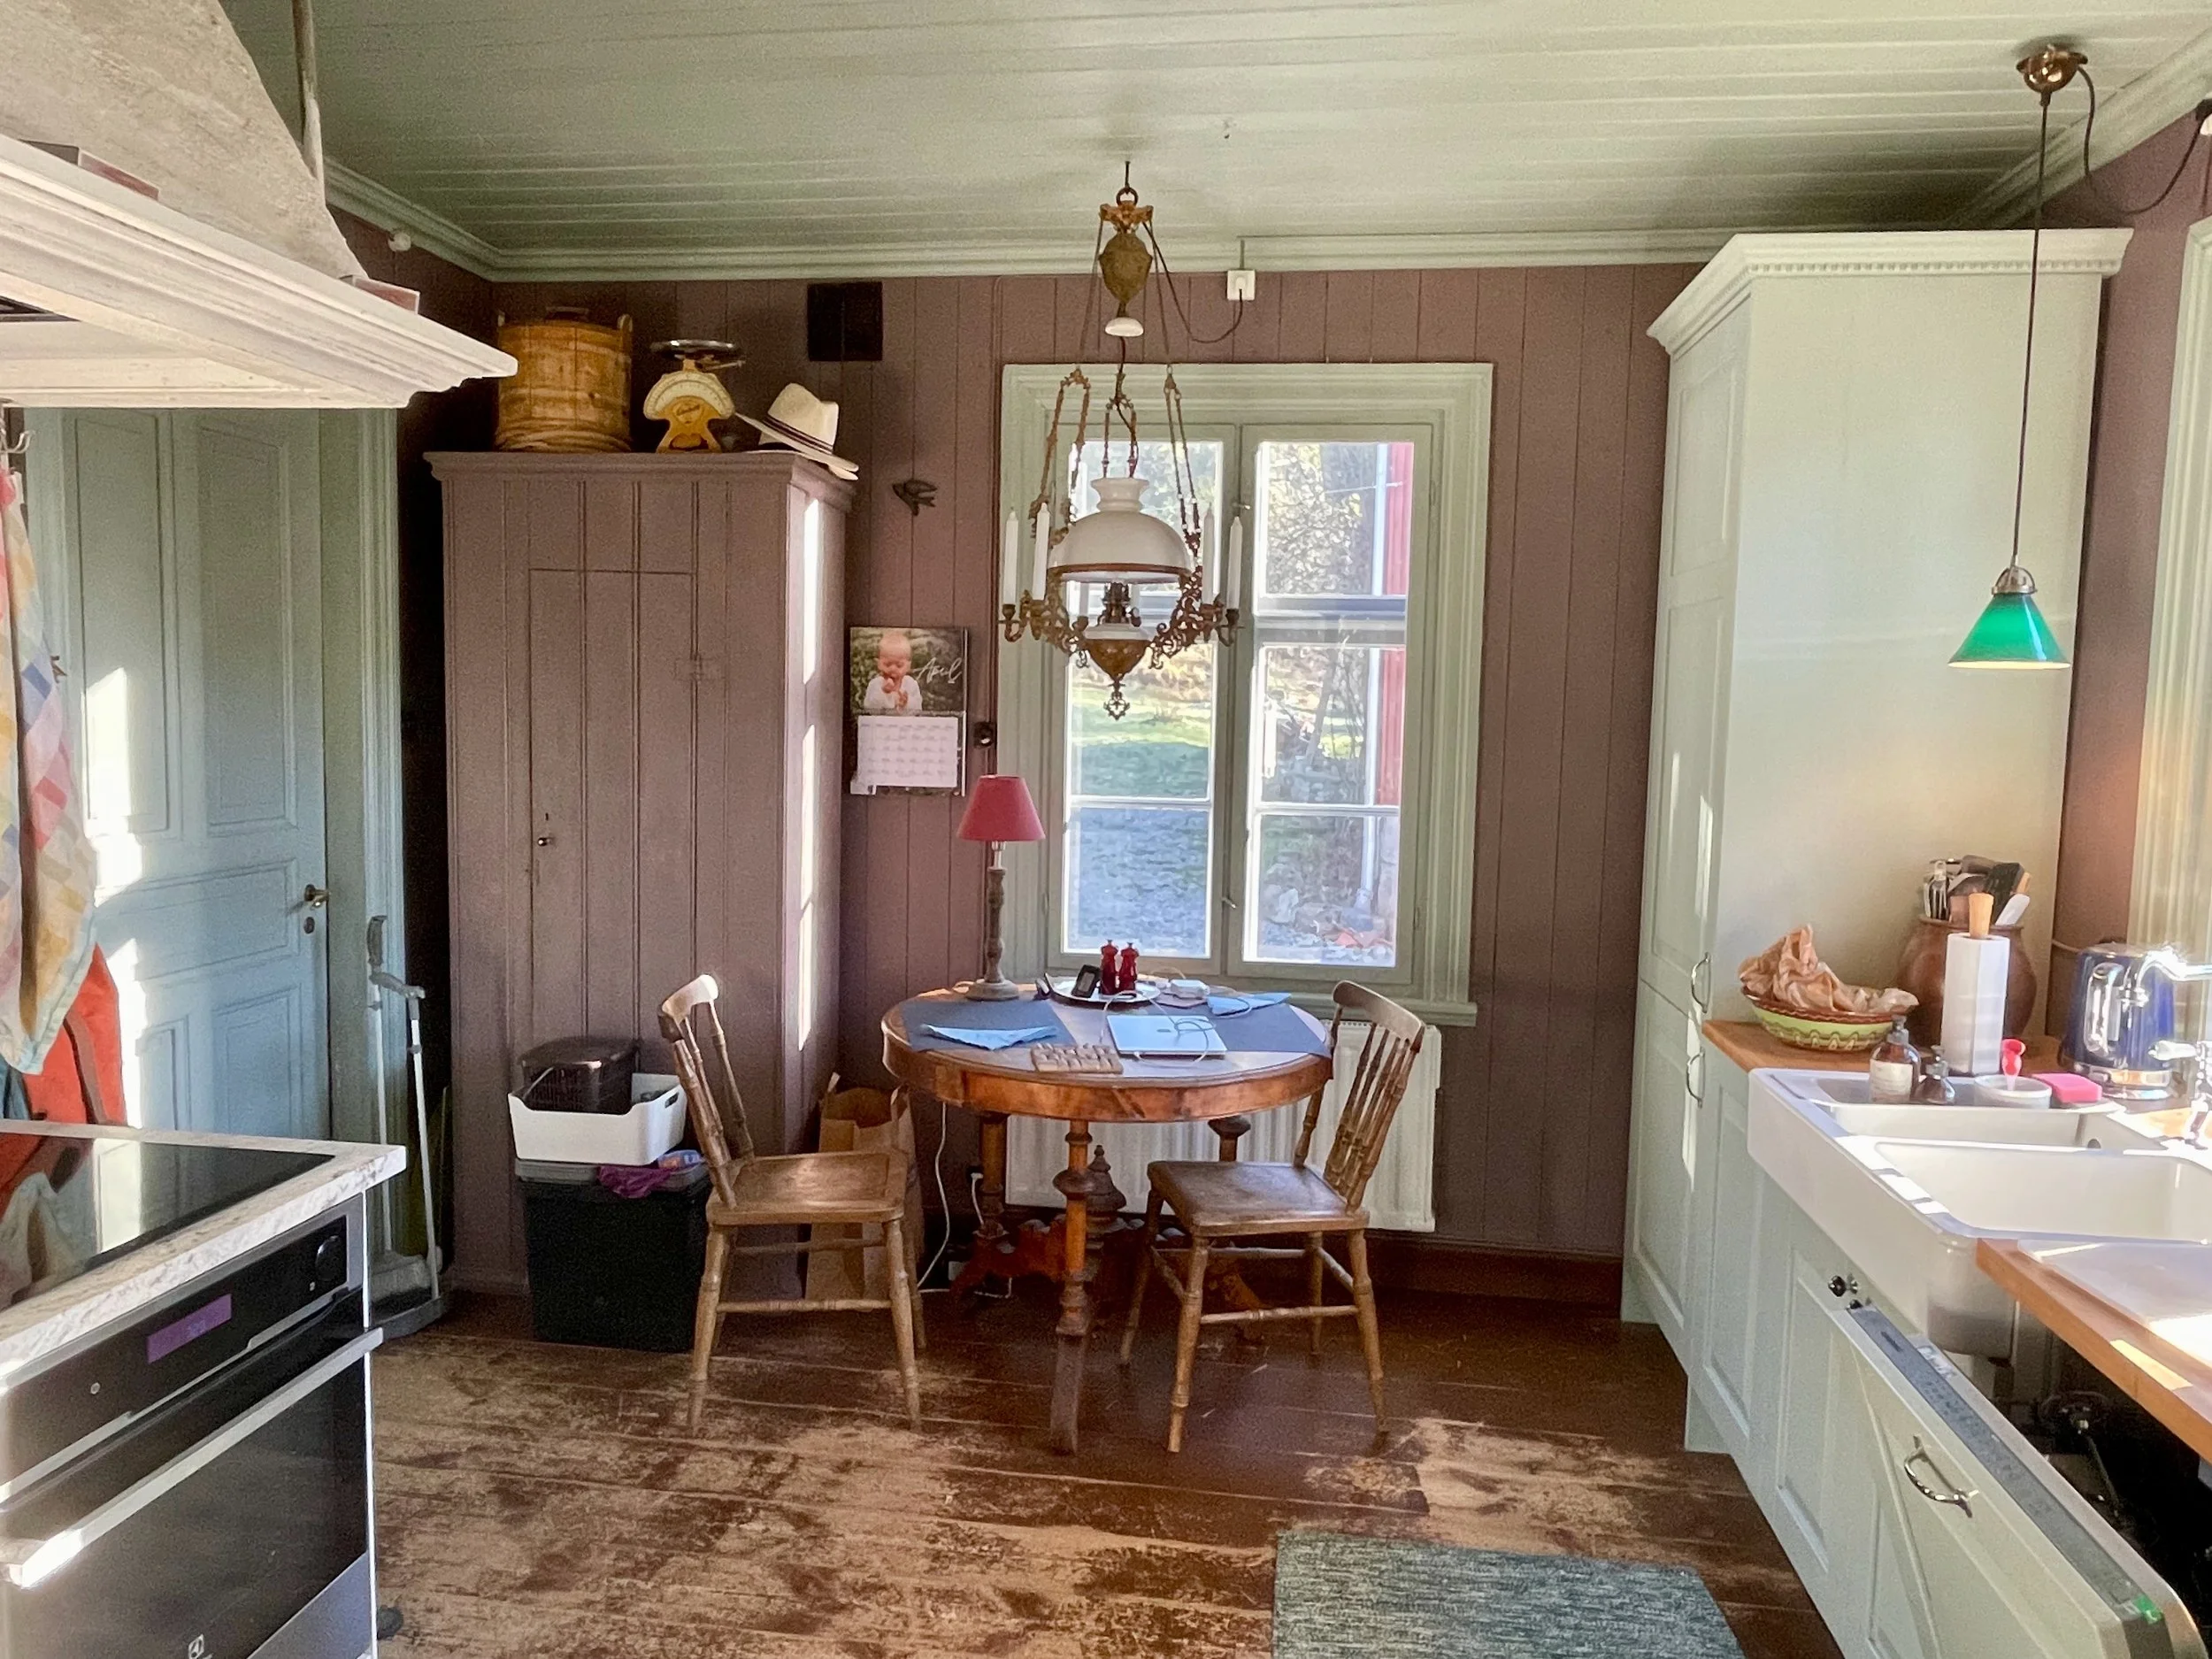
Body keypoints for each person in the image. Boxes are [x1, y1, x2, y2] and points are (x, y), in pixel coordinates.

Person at [863, 630, 926, 713]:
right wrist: (884, 693)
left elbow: (918, 709)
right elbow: (869, 709)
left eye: (899, 665)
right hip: (881, 725)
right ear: (878, 664)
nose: (893, 669)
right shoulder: (875, 684)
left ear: (908, 666)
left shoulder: (911, 685)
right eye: (887, 664)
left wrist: (906, 703)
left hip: (905, 725)